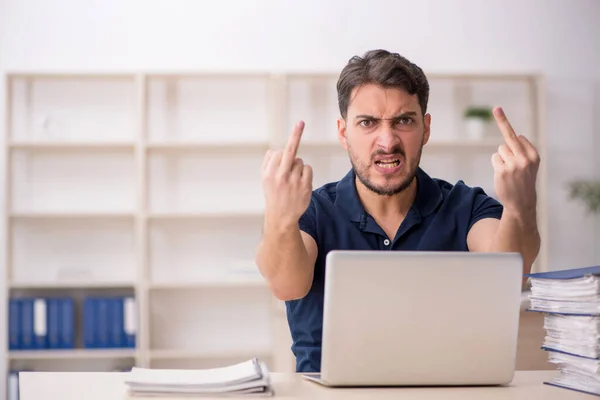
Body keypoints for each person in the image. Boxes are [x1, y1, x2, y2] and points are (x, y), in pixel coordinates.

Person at [255, 49, 541, 373]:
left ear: (426, 128)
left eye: (404, 120)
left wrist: (520, 205)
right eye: (368, 122)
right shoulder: (313, 210)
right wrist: (279, 216)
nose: (387, 141)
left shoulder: (468, 206)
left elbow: (510, 276)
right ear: (343, 132)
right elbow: (285, 286)